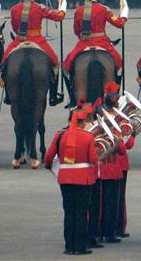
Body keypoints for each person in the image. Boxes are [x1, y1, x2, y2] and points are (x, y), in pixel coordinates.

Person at [46, 103, 100, 255]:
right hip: (83, 179)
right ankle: (80, 246)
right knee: (82, 213)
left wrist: (51, 166)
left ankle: (69, 246)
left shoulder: (60, 135)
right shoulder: (88, 136)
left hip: (65, 178)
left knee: (69, 212)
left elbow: (48, 157)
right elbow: (94, 159)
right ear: (83, 123)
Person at [4, 0, 66, 104]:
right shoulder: (40, 8)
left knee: (4, 63)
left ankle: (8, 94)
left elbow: (15, 27)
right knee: (55, 63)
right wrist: (62, 4)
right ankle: (53, 95)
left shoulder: (14, 9)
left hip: (19, 40)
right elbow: (59, 17)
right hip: (37, 40)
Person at [62, 0, 125, 88]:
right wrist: (124, 12)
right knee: (119, 64)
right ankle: (114, 93)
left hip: (84, 43)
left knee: (66, 66)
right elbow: (119, 24)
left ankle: (72, 96)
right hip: (102, 43)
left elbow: (77, 31)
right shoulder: (104, 9)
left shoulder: (79, 11)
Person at [97, 83, 134, 244]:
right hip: (117, 164)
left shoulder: (97, 117)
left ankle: (99, 230)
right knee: (115, 200)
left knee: (99, 201)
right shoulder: (122, 120)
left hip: (101, 165)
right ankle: (114, 229)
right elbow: (129, 143)